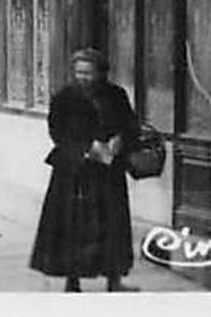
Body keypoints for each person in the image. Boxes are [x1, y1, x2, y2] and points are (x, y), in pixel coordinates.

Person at [30, 47, 141, 292]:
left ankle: (114, 279)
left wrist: (120, 139)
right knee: (73, 226)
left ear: (101, 73)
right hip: (74, 172)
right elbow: (57, 132)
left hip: (108, 173)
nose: (83, 78)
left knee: (112, 226)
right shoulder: (65, 97)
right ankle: (73, 281)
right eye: (79, 72)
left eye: (88, 73)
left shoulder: (116, 95)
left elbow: (131, 124)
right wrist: (87, 148)